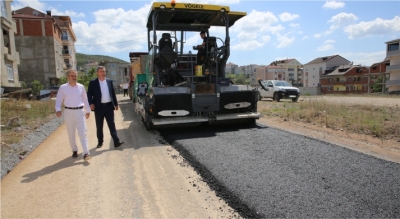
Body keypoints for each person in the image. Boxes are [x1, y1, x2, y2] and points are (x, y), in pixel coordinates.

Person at [55, 69, 91, 160]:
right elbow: (59, 99)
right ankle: (74, 150)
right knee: (71, 133)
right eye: (72, 76)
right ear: (67, 77)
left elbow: (85, 99)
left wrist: (88, 110)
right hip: (68, 112)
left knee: (83, 132)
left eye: (75, 76)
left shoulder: (81, 87)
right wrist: (58, 109)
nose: (74, 78)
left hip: (79, 111)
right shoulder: (63, 87)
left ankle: (86, 153)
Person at [87, 66, 125, 149]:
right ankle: (100, 142)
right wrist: (91, 103)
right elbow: (89, 94)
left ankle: (116, 142)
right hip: (99, 107)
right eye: (100, 71)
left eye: (103, 71)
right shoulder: (93, 82)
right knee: (99, 125)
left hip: (109, 107)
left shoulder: (109, 81)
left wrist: (116, 103)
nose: (102, 73)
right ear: (97, 73)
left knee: (112, 125)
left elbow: (112, 93)